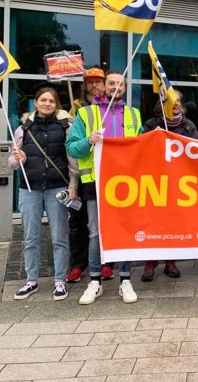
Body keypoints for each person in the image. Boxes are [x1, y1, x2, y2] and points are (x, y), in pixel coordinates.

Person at [66, 70, 142, 305]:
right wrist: (87, 140)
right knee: (95, 234)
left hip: (125, 183)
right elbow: (71, 148)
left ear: (125, 88)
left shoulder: (134, 114)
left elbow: (141, 147)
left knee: (126, 231)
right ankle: (95, 281)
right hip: (95, 182)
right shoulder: (85, 114)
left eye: (120, 84)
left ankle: (125, 280)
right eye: (111, 83)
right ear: (103, 86)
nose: (115, 88)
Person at [9, 87, 78, 301]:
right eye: (43, 100)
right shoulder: (23, 129)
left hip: (57, 188)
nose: (47, 103)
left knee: (59, 236)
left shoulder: (66, 127)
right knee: (31, 237)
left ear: (56, 104)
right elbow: (11, 163)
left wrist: (73, 184)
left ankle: (59, 281)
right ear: (36, 103)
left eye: (51, 101)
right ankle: (31, 281)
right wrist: (19, 158)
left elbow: (72, 161)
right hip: (30, 189)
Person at [141, 95, 198, 282]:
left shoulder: (189, 125)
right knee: (154, 222)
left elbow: (197, 148)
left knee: (173, 222)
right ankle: (150, 264)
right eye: (171, 101)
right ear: (162, 104)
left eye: (179, 102)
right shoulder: (151, 124)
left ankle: (171, 262)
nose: (176, 104)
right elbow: (139, 147)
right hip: (156, 181)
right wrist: (152, 137)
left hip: (179, 182)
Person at [66, 67, 107, 284]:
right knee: (79, 223)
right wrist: (73, 181)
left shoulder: (111, 109)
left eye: (98, 82)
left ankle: (106, 263)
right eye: (90, 82)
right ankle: (78, 264)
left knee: (105, 223)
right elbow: (71, 150)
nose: (94, 85)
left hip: (105, 177)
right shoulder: (77, 111)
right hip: (82, 177)